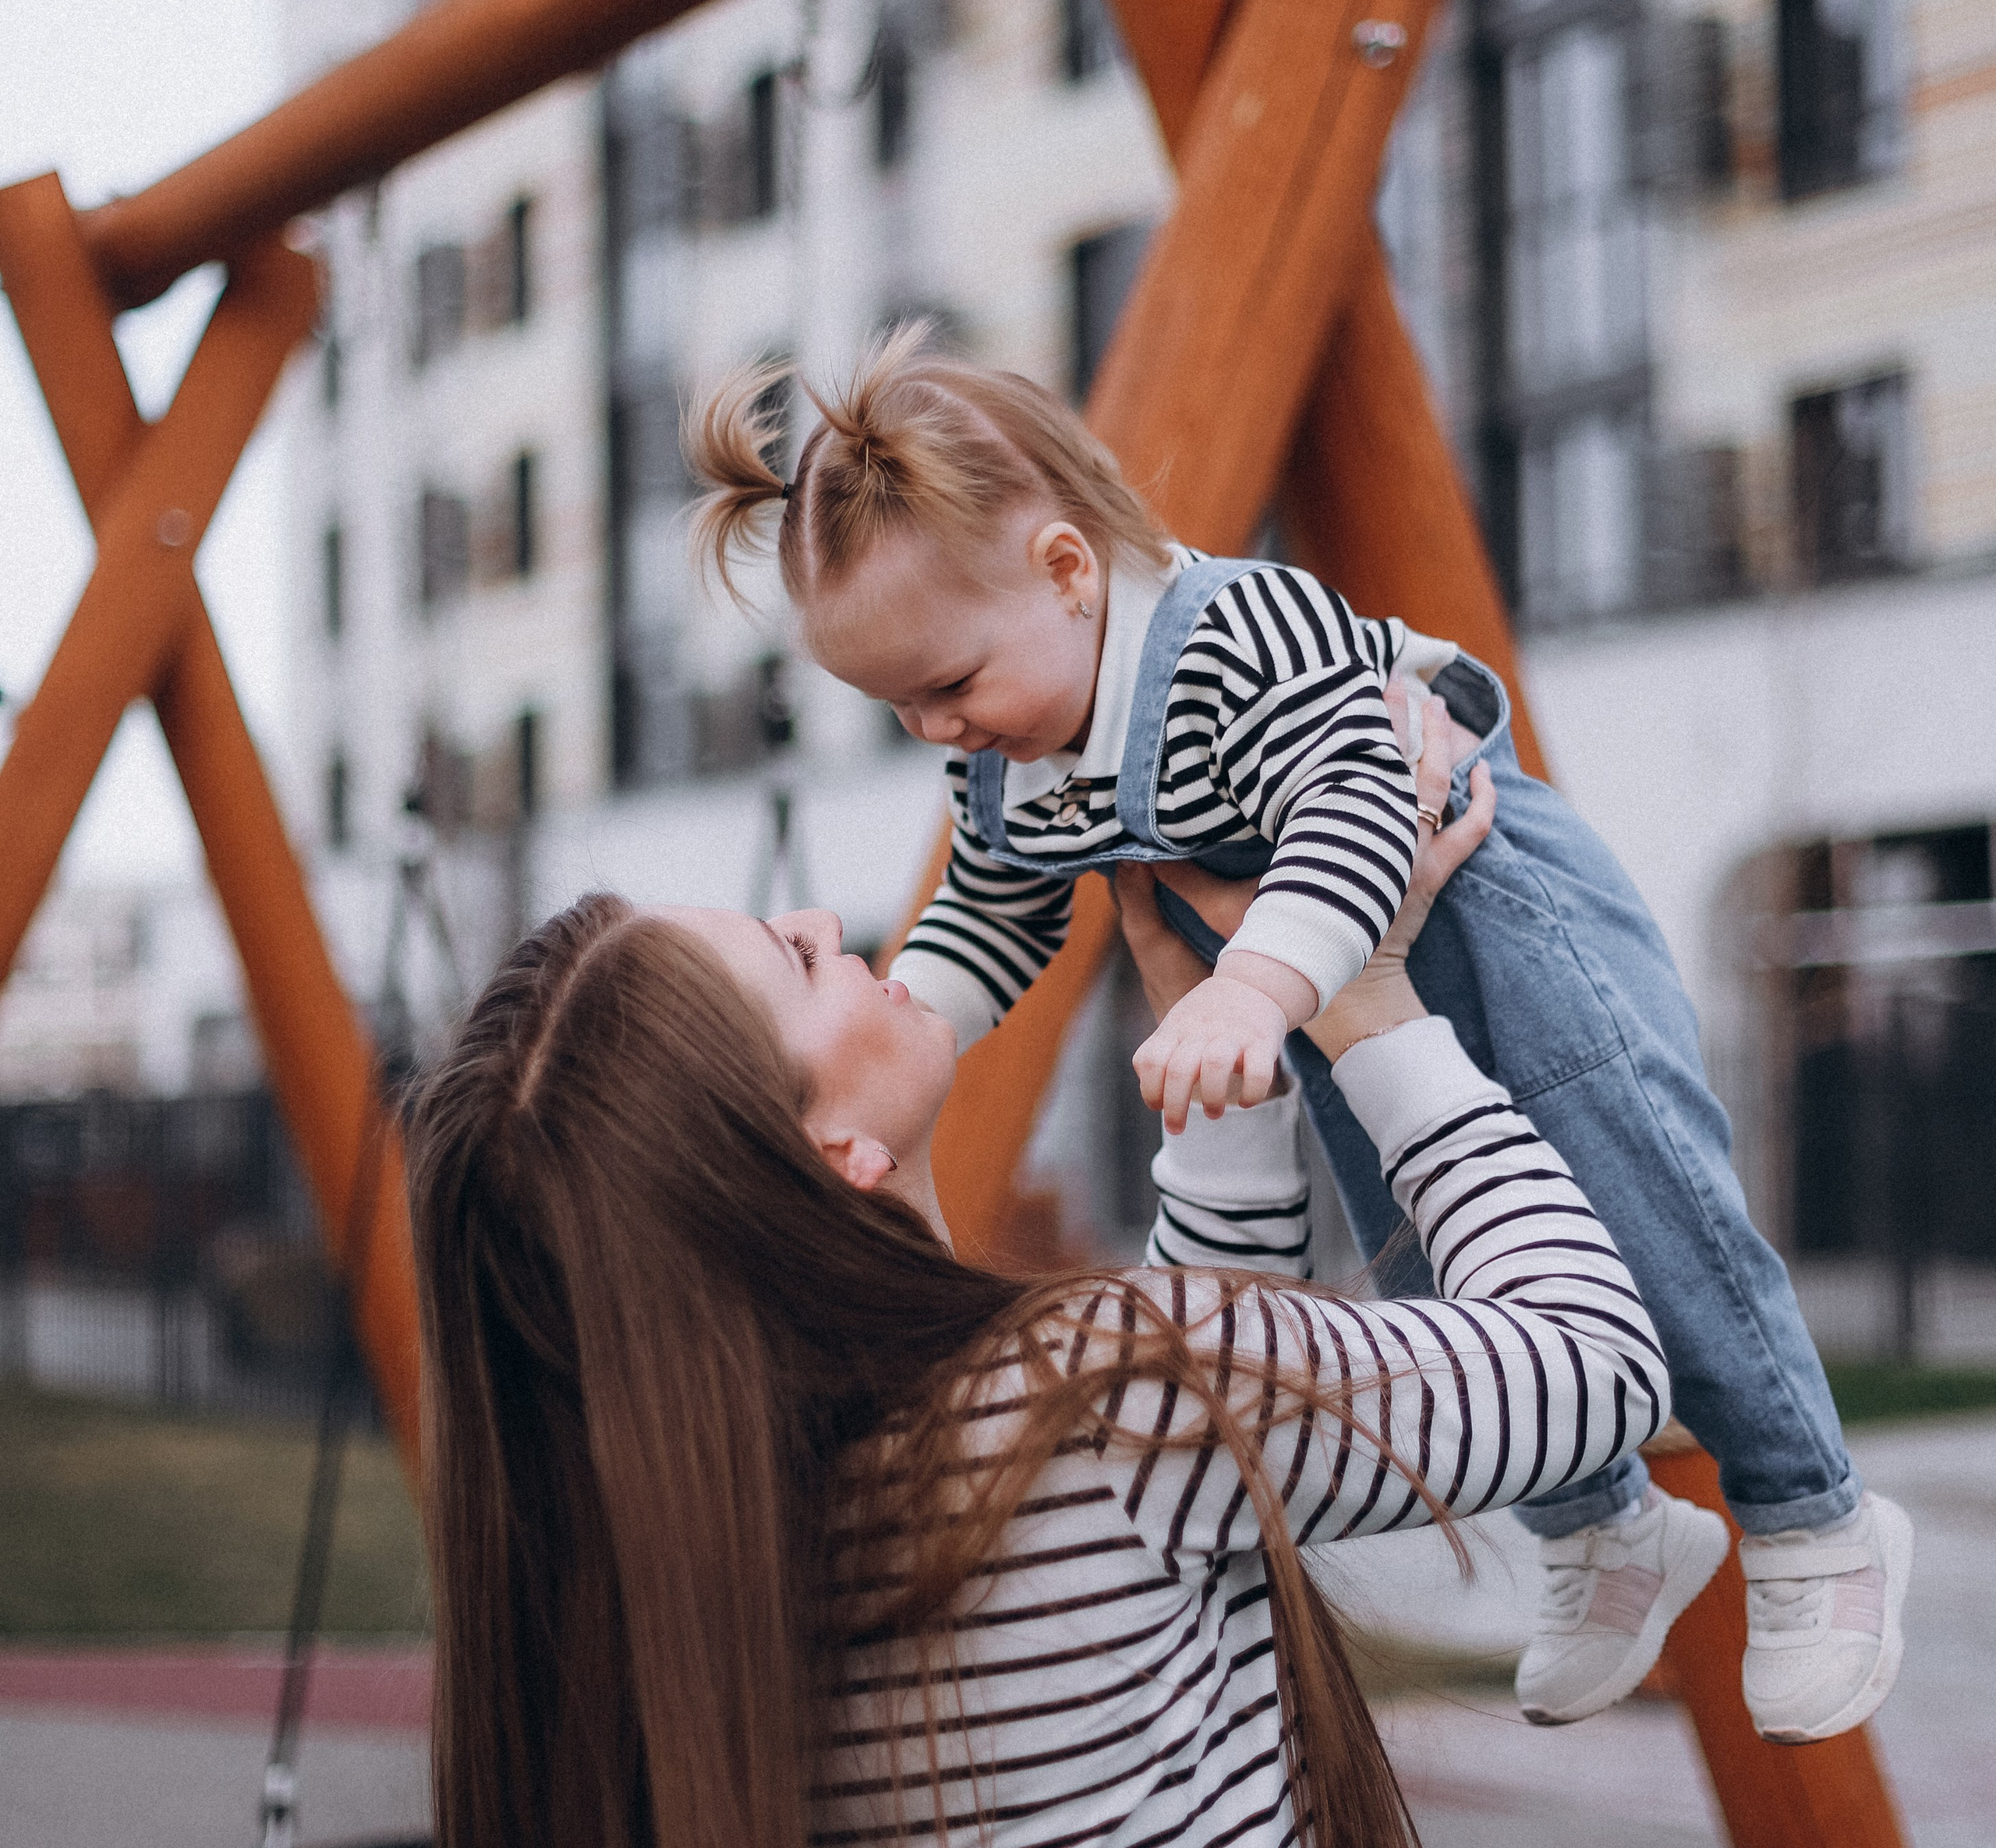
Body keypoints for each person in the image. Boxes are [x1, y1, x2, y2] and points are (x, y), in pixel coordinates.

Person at [413, 717, 1669, 1848]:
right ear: (833, 1156)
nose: (826, 918)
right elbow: (1594, 1362)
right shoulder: (1095, 1397)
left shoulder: (673, 1534)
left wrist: (1221, 1098)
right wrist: (1371, 1005)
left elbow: (1188, 1487)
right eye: (798, 958)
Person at [684, 329, 1910, 1746]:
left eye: (948, 686)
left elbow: (1357, 801)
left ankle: (1815, 1517)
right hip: (1324, 984)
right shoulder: (1012, 752)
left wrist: (1256, 989)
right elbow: (987, 916)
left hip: (1494, 919)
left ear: (1069, 572)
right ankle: (1607, 1531)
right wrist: (897, 1026)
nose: (933, 730)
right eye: (897, 706)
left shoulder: (1237, 634)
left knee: (1645, 1198)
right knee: (1426, 1259)